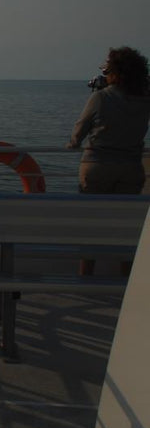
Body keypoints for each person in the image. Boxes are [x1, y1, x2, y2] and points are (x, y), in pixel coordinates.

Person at [67, 46, 150, 276]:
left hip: (97, 166)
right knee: (126, 225)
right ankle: (126, 277)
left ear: (113, 72)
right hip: (131, 168)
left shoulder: (100, 97)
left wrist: (73, 143)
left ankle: (86, 275)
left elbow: (78, 133)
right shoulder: (145, 100)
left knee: (90, 223)